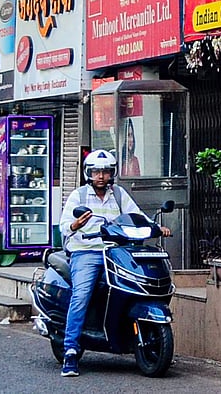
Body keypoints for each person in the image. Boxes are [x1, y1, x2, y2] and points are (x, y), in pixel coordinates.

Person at [58, 149, 169, 377]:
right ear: (88, 173)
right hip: (87, 252)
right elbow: (64, 225)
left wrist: (156, 227)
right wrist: (76, 225)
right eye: (96, 172)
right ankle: (70, 350)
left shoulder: (118, 194)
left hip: (117, 251)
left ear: (112, 173)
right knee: (82, 294)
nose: (101, 176)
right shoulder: (79, 196)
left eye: (106, 172)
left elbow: (136, 215)